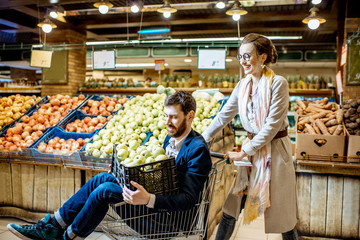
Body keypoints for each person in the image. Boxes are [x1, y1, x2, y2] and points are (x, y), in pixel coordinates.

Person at [7, 91, 212, 240]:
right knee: (103, 178)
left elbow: (189, 200)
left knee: (105, 190)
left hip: (168, 222)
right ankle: (54, 225)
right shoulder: (170, 140)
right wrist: (122, 173)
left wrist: (148, 199)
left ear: (190, 116)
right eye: (166, 115)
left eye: (174, 117)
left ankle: (67, 237)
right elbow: (160, 179)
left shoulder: (197, 149)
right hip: (155, 209)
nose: (168, 121)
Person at [202, 33, 298, 240]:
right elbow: (224, 115)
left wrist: (244, 151)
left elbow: (271, 127)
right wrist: (203, 138)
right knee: (231, 204)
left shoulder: (278, 83)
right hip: (251, 149)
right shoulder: (242, 85)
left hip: (276, 151)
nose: (243, 61)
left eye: (248, 56)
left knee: (282, 213)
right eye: (240, 57)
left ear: (263, 57)